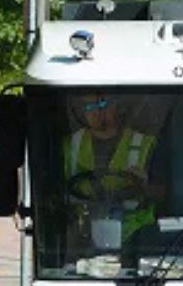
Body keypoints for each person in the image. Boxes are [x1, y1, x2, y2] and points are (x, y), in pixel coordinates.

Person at [63, 94, 160, 245]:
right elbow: (52, 193)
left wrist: (144, 187)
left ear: (118, 106)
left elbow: (167, 194)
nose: (98, 112)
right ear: (82, 112)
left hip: (137, 237)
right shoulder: (70, 146)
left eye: (103, 104)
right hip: (83, 236)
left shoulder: (146, 144)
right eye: (90, 107)